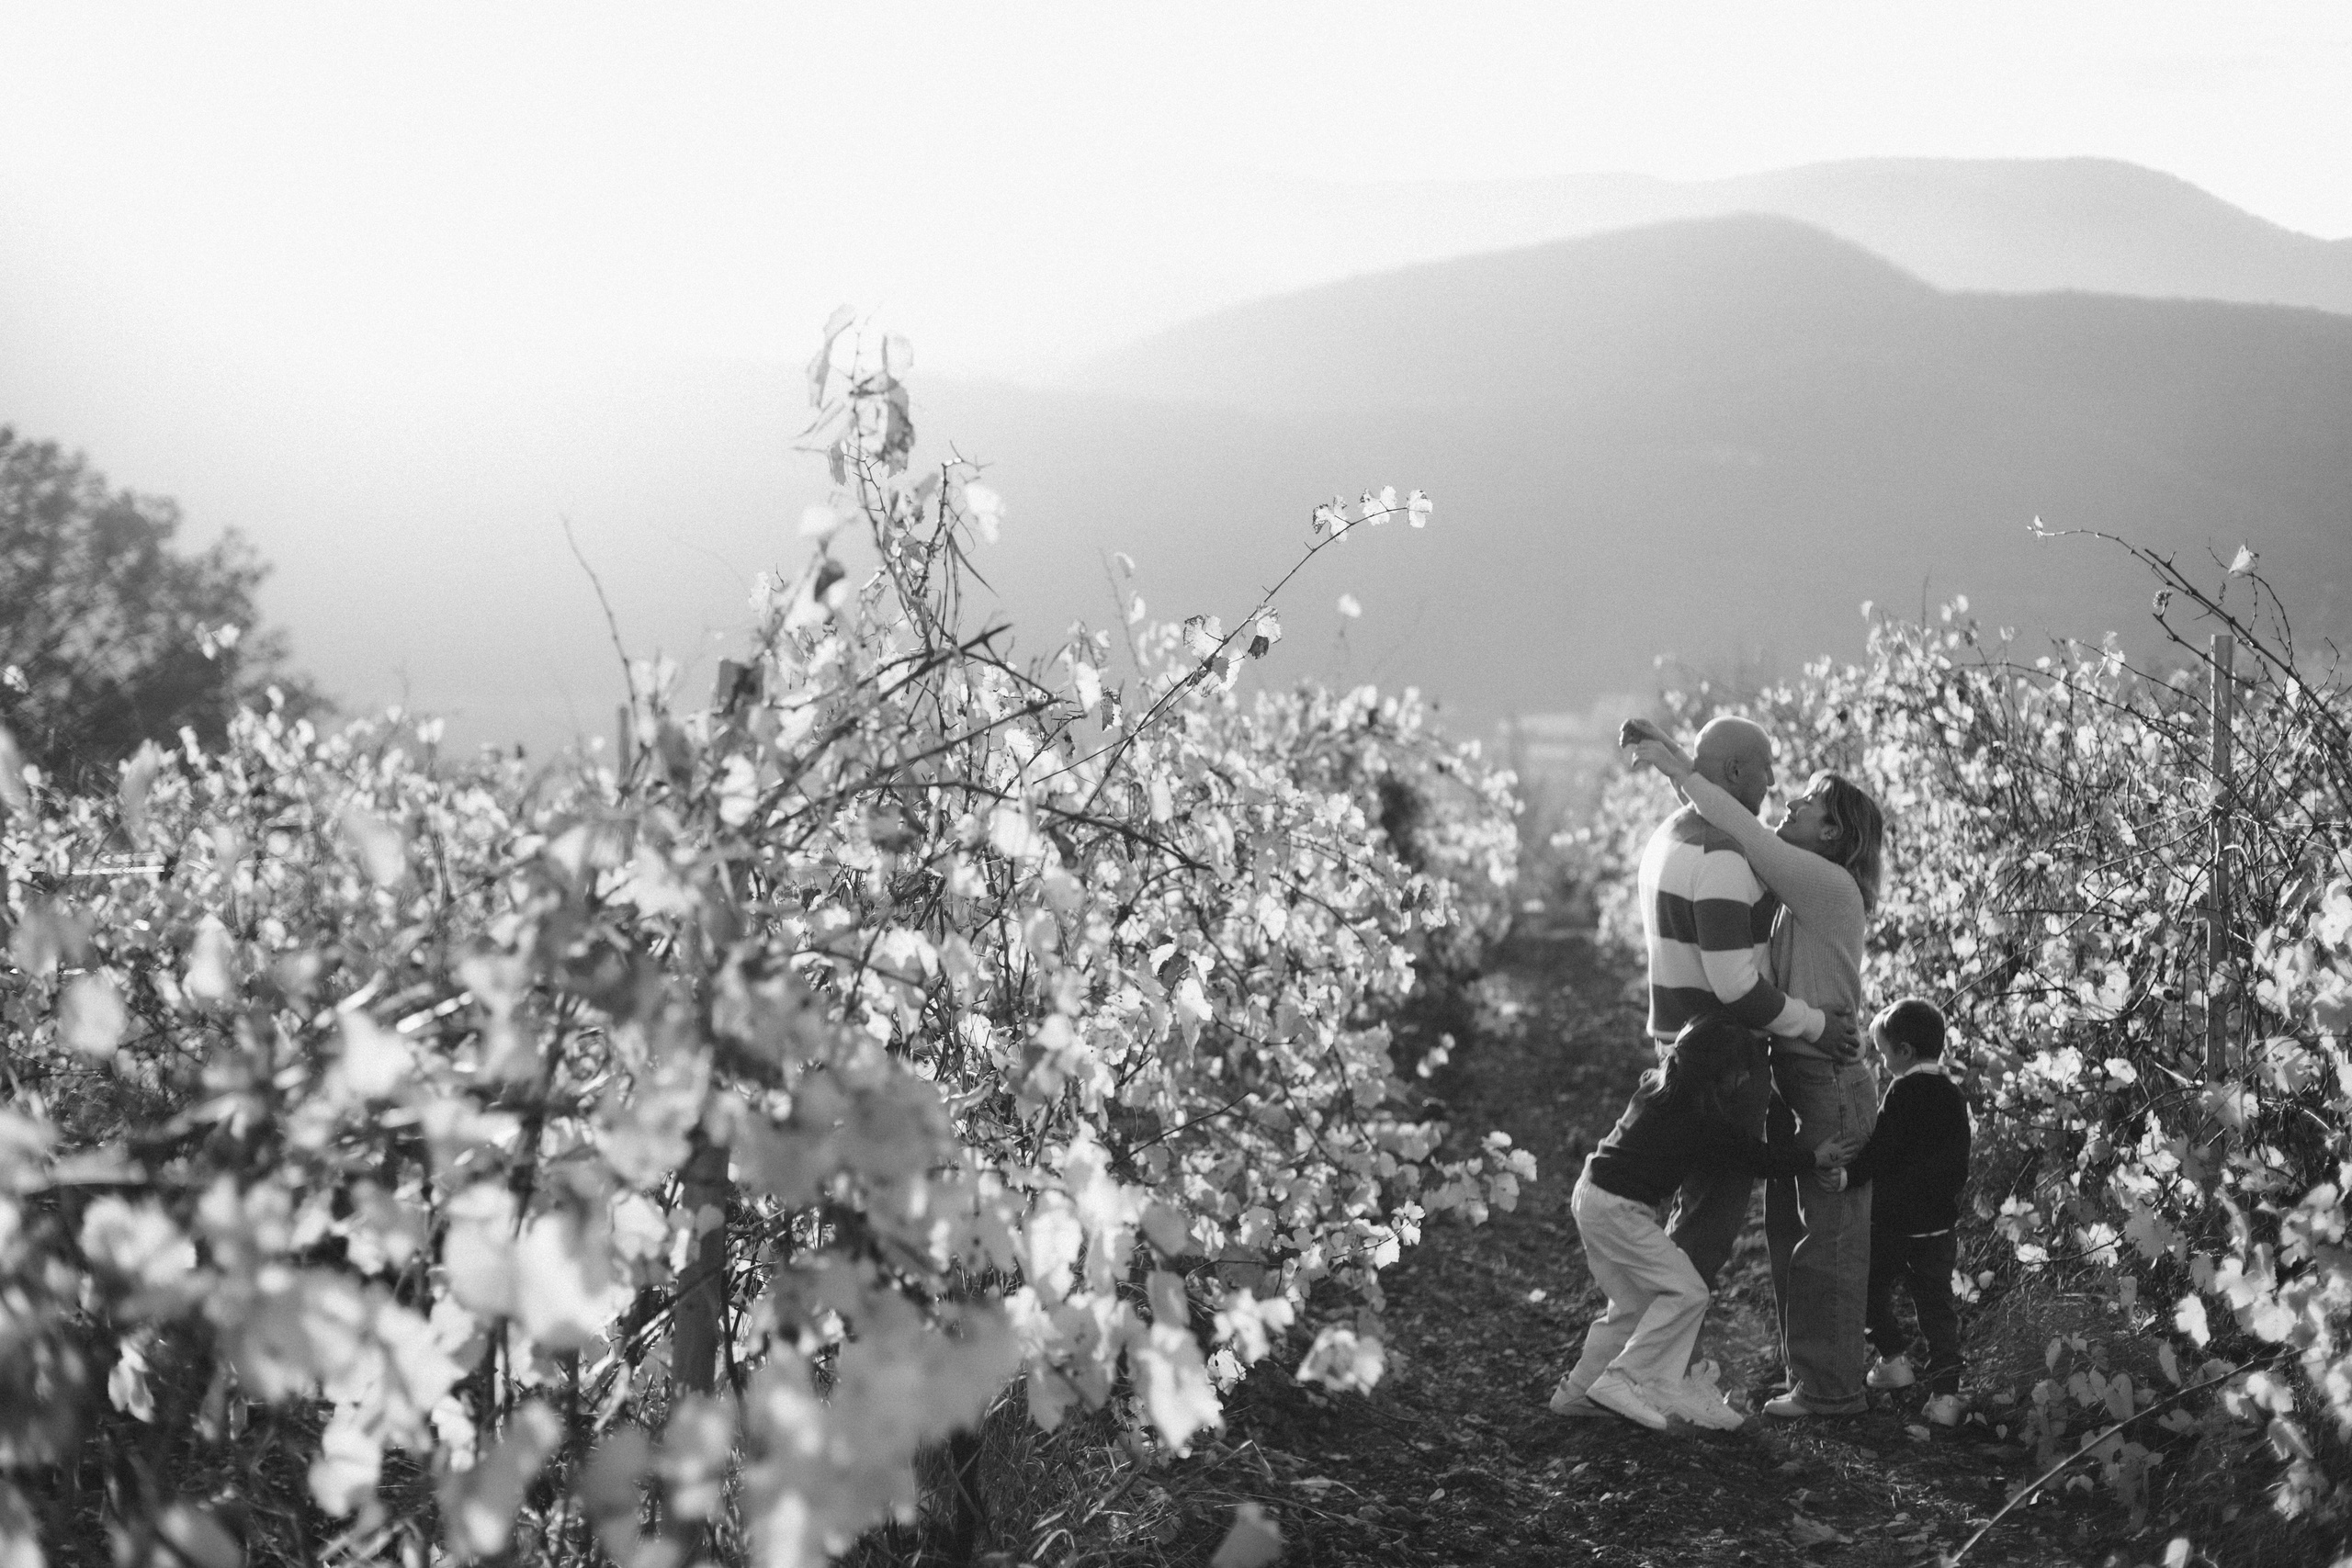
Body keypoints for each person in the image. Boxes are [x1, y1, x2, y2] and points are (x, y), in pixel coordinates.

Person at [1623, 717, 1886, 1419]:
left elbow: (1741, 825)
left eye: (1808, 804)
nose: (1789, 801)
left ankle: (1833, 1390)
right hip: (1800, 1071)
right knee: (1793, 1236)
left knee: (1826, 1240)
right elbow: (1741, 831)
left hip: (1827, 1073)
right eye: (1788, 789)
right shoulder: (1800, 880)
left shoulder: (1826, 881)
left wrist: (1674, 762)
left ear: (1833, 835)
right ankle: (1814, 1381)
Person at [1551, 1017, 1862, 1430]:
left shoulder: (1659, 1088)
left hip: (1592, 1195)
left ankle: (1576, 1392)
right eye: (1740, 1074)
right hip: (1617, 1210)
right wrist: (1812, 1158)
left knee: (1632, 1306)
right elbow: (1756, 1158)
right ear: (1716, 1074)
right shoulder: (1700, 1119)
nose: (1744, 1082)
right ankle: (1622, 1380)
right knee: (1688, 1291)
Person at [1841, 997, 1973, 1425]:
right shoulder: (1953, 1095)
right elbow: (1960, 1160)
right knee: (1937, 1308)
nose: (1882, 1064)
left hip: (1896, 1224)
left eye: (1883, 1054)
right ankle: (1947, 1396)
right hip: (1937, 1226)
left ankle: (1894, 1359)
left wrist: (1849, 1177)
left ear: (1904, 1052)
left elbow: (1882, 1149)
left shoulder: (1902, 1092)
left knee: (1867, 1284)